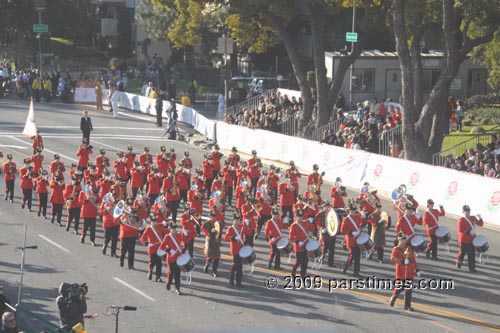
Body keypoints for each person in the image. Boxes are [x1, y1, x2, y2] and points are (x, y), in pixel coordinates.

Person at [389, 232, 420, 311]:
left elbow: (413, 259)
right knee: (399, 288)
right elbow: (393, 258)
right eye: (402, 239)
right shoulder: (395, 249)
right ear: (399, 240)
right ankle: (393, 297)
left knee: (408, 289)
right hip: (401, 272)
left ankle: (407, 305)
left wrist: (417, 269)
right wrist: (401, 261)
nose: (404, 241)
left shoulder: (409, 248)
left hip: (409, 272)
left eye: (405, 239)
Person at [340, 200, 367, 277]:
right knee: (354, 255)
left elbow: (363, 223)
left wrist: (364, 216)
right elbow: (342, 230)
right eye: (353, 211)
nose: (354, 212)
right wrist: (351, 232)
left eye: (355, 210)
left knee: (356, 256)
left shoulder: (357, 217)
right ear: (350, 211)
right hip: (350, 240)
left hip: (357, 239)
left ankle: (355, 271)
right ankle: (349, 268)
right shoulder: (346, 219)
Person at [159, 222, 186, 295]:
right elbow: (161, 247)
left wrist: (185, 237)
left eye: (174, 228)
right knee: (171, 272)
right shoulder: (167, 237)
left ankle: (177, 289)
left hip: (178, 258)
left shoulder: (178, 235)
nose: (174, 230)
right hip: (170, 259)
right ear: (169, 229)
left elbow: (184, 242)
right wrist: (169, 250)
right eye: (172, 229)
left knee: (177, 274)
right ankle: (168, 282)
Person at [140, 215, 168, 282]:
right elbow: (142, 238)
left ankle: (158, 277)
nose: (154, 223)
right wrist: (146, 243)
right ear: (151, 222)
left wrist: (166, 225)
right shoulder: (148, 228)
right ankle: (150, 271)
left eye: (155, 221)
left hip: (159, 248)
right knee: (152, 262)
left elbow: (166, 232)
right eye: (153, 222)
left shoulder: (159, 227)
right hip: (152, 248)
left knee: (159, 263)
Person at [457, 205, 484, 272]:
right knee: (462, 253)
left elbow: (480, 224)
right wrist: (468, 232)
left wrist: (480, 218)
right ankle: (459, 262)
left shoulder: (473, 218)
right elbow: (460, 229)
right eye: (466, 211)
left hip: (472, 239)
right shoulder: (461, 220)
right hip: (464, 239)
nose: (468, 212)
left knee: (472, 254)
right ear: (463, 211)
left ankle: (471, 267)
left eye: (469, 211)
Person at [224, 212, 247, 287]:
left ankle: (231, 278)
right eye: (236, 220)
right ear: (233, 220)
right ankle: (238, 283)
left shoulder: (241, 227)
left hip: (241, 249)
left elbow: (247, 230)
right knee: (239, 267)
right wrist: (234, 238)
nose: (238, 221)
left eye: (239, 219)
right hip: (234, 250)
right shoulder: (230, 228)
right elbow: (226, 238)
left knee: (235, 265)